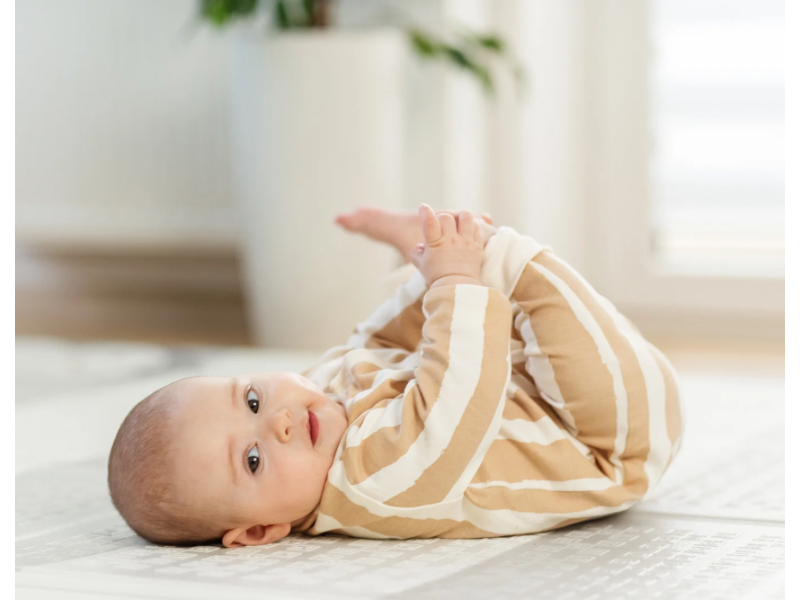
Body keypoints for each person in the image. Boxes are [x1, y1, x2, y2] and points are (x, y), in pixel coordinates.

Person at [107, 205, 684, 547]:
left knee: (405, 330)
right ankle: (477, 253)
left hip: (524, 385)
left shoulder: (312, 407)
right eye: (252, 461)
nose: (277, 422)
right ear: (261, 531)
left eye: (252, 398)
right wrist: (453, 281)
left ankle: (428, 249)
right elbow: (457, 398)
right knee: (523, 274)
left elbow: (377, 344)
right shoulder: (367, 480)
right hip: (609, 441)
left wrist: (427, 280)